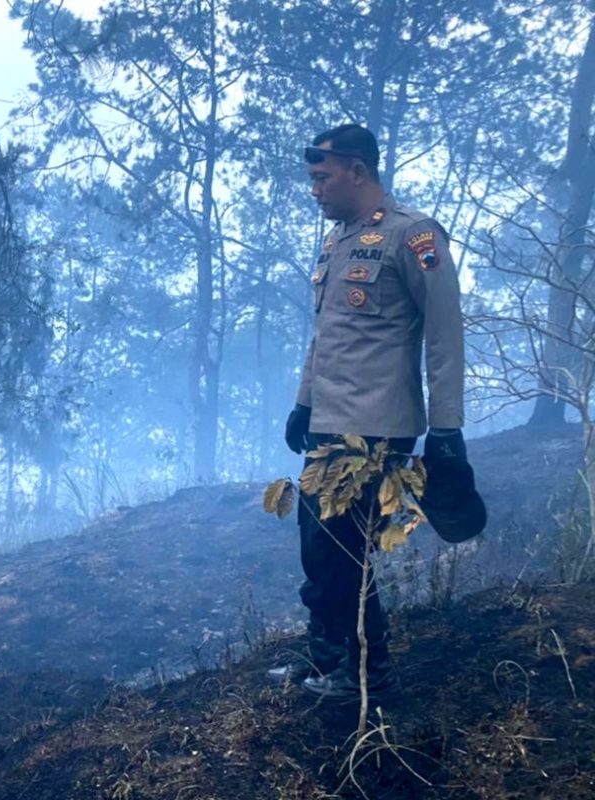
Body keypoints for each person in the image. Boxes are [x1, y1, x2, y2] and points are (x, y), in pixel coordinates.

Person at [270, 124, 469, 699]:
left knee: (342, 550)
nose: (315, 191)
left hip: (378, 428)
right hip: (331, 421)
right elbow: (327, 335)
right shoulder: (338, 242)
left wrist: (447, 427)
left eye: (322, 178)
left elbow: (445, 336)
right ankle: (328, 659)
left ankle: (366, 676)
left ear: (358, 171)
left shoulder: (415, 236)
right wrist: (303, 403)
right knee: (318, 545)